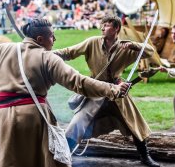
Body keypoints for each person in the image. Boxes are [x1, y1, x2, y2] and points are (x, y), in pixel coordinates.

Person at [0, 18, 129, 167]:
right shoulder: (48, 58)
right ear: (40, 40)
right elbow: (79, 83)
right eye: (52, 36)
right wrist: (112, 89)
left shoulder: (0, 50)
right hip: (32, 119)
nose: (55, 40)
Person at [54, 15, 160, 167]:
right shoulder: (92, 42)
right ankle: (63, 158)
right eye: (101, 24)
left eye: (106, 25)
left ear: (116, 28)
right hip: (96, 90)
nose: (102, 28)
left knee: (135, 124)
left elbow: (149, 52)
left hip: (118, 92)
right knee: (77, 124)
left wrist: (135, 46)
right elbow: (69, 52)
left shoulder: (126, 47)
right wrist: (47, 54)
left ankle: (145, 156)